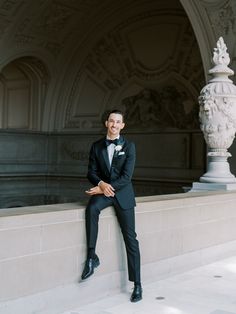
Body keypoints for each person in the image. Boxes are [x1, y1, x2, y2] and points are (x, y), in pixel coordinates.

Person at [81, 109, 142, 302]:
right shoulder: (96, 146)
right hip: (105, 192)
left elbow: (126, 177)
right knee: (91, 209)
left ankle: (137, 284)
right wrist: (100, 185)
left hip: (122, 194)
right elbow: (91, 172)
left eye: (118, 122)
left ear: (122, 126)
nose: (114, 125)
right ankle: (92, 257)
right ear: (106, 123)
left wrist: (104, 188)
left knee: (130, 238)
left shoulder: (129, 146)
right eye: (111, 121)